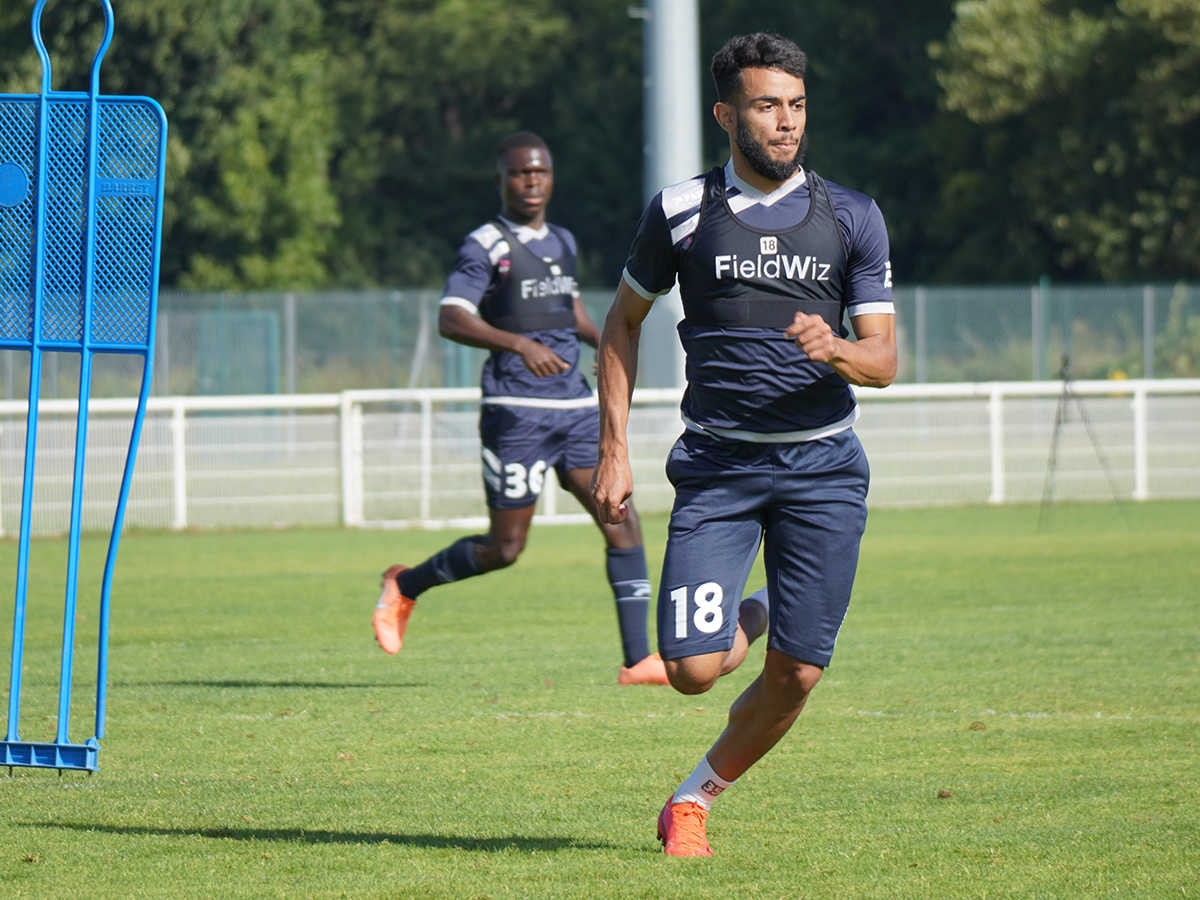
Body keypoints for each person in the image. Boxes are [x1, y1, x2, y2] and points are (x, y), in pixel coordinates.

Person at [591, 33, 897, 855]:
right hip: (720, 467)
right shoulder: (683, 211)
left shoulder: (853, 215)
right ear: (727, 113)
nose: (786, 122)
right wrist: (613, 448)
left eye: (796, 106)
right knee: (691, 670)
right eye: (766, 106)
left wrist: (834, 348)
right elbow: (621, 323)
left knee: (798, 672)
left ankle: (693, 800)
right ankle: (755, 612)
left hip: (823, 466)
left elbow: (884, 359)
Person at [373, 131, 669, 686]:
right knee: (505, 548)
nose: (531, 181)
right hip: (516, 412)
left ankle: (638, 661)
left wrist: (611, 340)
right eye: (519, 173)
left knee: (621, 518)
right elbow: (452, 316)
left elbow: (571, 308)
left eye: (540, 172)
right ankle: (405, 585)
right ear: (500, 181)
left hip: (575, 407)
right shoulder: (485, 245)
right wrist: (519, 345)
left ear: (552, 177)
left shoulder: (562, 240)